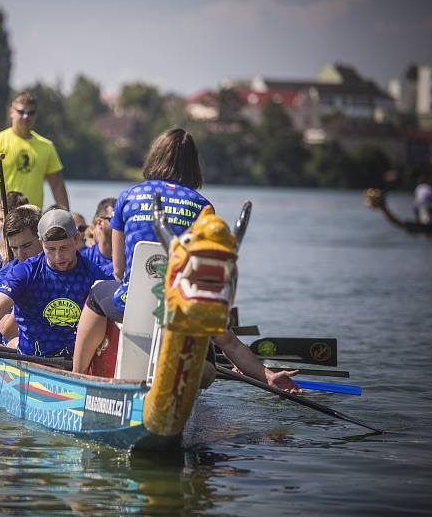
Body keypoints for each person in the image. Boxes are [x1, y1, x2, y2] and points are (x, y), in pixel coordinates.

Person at [71, 128, 299, 393]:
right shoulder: (204, 207)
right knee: (216, 350)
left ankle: (77, 378)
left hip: (129, 303)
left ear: (154, 157)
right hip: (185, 310)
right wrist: (268, 375)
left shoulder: (127, 197)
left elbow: (119, 269)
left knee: (97, 292)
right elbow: (230, 339)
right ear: (193, 165)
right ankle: (182, 384)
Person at [0, 209, 112, 363]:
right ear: (41, 243)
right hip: (31, 359)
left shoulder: (95, 274)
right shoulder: (25, 272)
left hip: (75, 362)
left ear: (77, 239)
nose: (58, 256)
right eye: (51, 249)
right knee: (11, 342)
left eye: (64, 248)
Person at [0, 91, 69, 210]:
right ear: (11, 111)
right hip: (4, 217)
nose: (26, 116)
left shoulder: (47, 146)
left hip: (33, 219)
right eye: (21, 112)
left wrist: (66, 218)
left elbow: (57, 186)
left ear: (36, 115)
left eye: (31, 113)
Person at [80, 197, 115, 274]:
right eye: (115, 219)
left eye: (123, 219)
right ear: (99, 223)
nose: (120, 224)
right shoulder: (83, 258)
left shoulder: (130, 256)